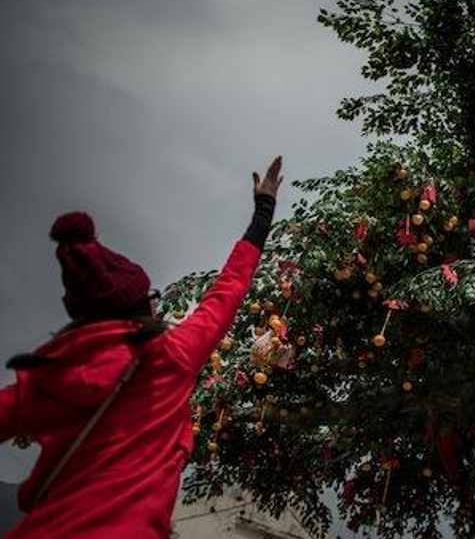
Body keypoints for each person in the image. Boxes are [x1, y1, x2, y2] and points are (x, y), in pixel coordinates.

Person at [0, 156, 284, 539]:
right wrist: (263, 210)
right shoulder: (170, 357)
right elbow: (228, 289)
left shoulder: (47, 378)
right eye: (149, 295)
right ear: (138, 306)